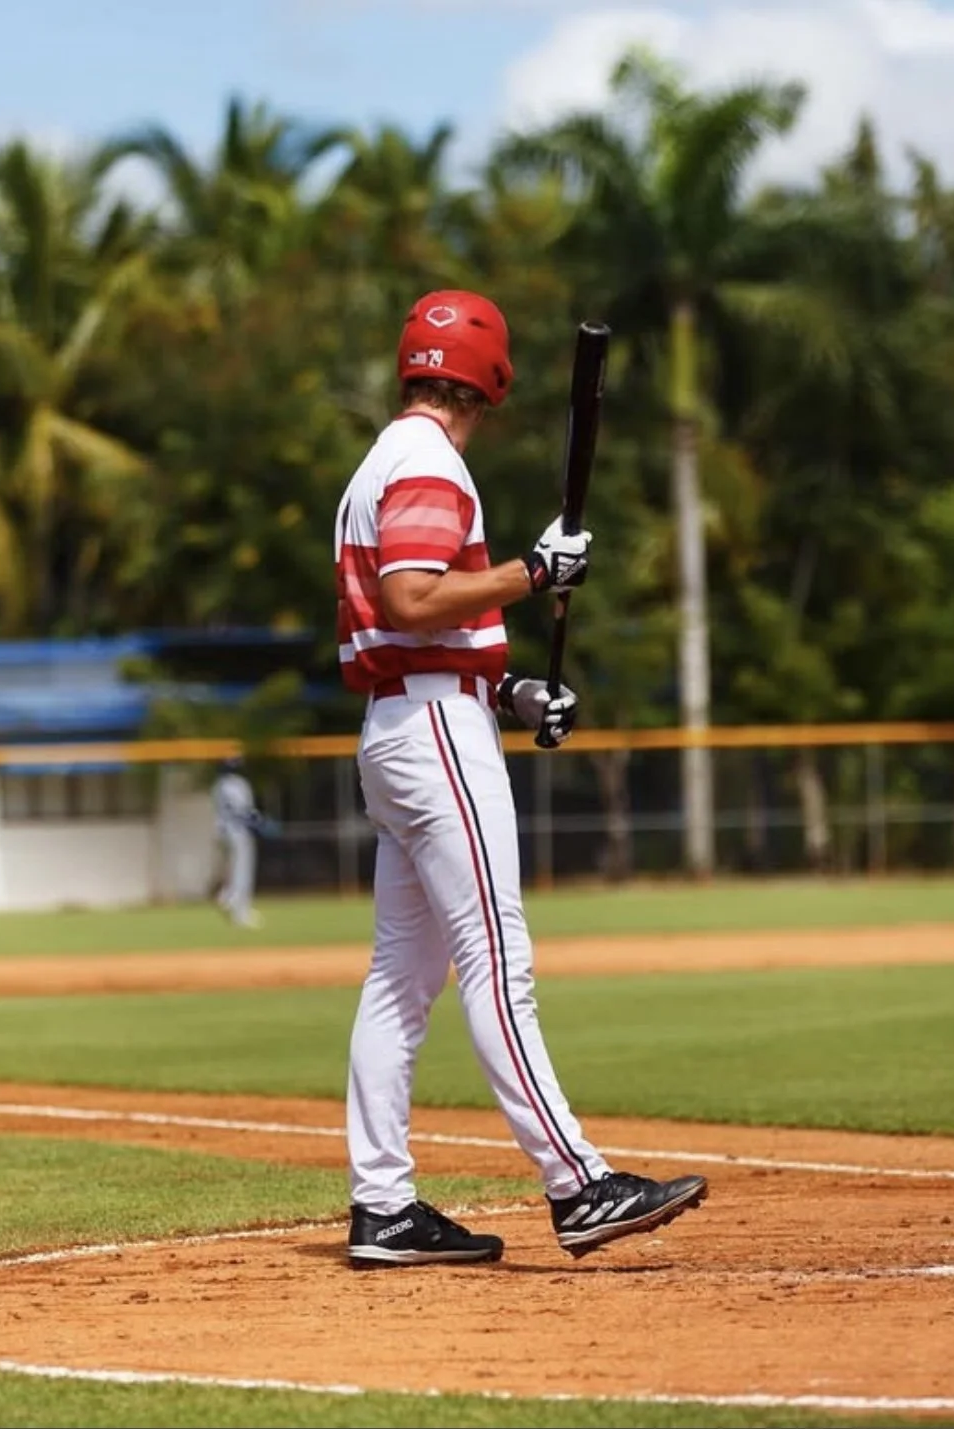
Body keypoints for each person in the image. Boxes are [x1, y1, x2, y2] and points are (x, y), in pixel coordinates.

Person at [333, 289, 708, 1268]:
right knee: (497, 958)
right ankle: (578, 1183)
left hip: (402, 722)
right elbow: (415, 599)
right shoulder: (425, 461)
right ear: (491, 379)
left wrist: (513, 691)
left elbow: (417, 627)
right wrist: (532, 573)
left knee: (400, 981)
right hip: (431, 736)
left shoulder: (384, 460)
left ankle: (382, 1207)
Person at [212, 755, 276, 930]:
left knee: (231, 868)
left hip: (222, 832)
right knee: (242, 871)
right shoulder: (238, 784)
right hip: (238, 832)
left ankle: (227, 896)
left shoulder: (218, 786)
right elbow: (244, 812)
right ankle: (239, 911)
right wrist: (261, 823)